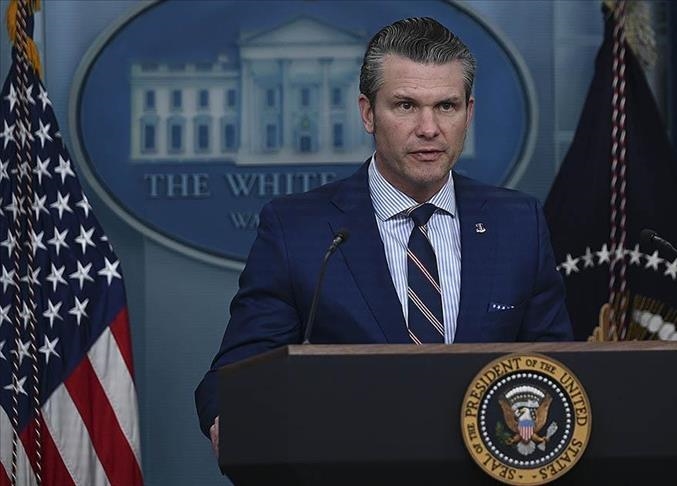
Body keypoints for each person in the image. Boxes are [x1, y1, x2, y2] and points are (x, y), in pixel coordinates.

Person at [195, 16, 573, 454]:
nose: (429, 128)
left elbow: (557, 368)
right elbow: (237, 372)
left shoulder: (518, 223)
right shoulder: (297, 230)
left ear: (468, 113)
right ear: (368, 113)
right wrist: (233, 414)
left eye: (446, 106)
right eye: (406, 105)